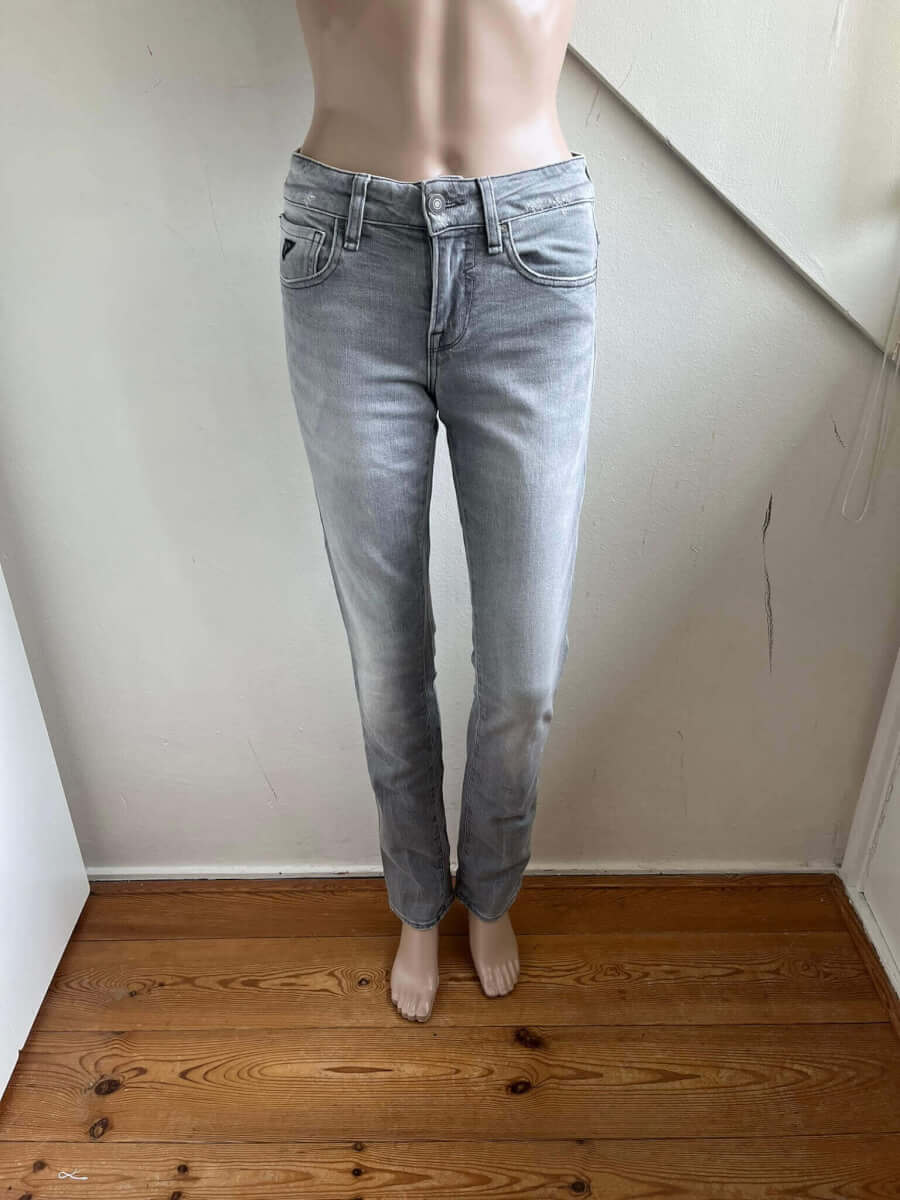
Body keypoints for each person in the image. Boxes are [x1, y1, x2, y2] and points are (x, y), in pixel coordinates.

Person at [281, 0, 597, 1022]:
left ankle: (491, 891)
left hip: (531, 253)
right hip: (348, 254)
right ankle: (420, 905)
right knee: (387, 661)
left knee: (525, 672)